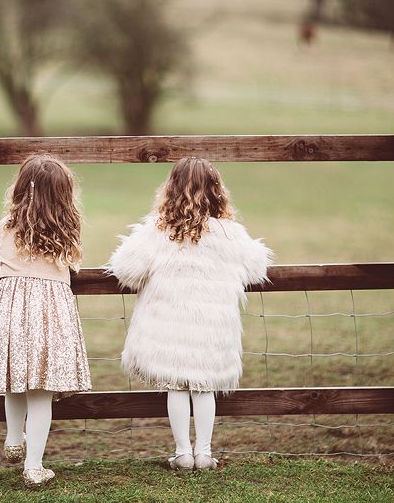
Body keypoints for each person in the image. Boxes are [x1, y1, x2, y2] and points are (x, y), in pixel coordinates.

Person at [107, 157, 272, 470]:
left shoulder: (157, 232)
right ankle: (205, 452)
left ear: (170, 189)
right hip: (212, 326)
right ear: (217, 191)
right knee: (204, 385)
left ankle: (183, 452)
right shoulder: (230, 234)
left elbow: (126, 269)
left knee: (176, 386)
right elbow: (256, 266)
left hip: (170, 323)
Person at [0, 154, 91, 487]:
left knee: (14, 376)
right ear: (64, 193)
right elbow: (75, 267)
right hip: (50, 314)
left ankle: (14, 438)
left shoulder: (6, 226)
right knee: (41, 390)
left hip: (11, 309)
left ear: (20, 188)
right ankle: (34, 466)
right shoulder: (68, 229)